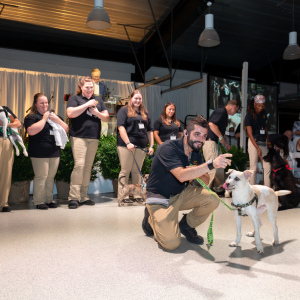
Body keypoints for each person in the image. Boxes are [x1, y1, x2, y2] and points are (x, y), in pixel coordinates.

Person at [142, 116, 232, 250]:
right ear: (185, 133)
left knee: (212, 198)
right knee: (172, 244)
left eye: (204, 136)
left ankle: (186, 225)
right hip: (159, 198)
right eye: (197, 134)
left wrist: (195, 171)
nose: (201, 139)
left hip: (180, 194)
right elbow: (181, 176)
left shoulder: (195, 152)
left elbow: (205, 181)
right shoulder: (168, 148)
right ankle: (151, 218)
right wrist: (211, 164)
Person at [67, 76, 109, 209]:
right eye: (87, 87)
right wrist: (86, 104)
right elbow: (70, 114)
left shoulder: (99, 100)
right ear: (81, 88)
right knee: (79, 165)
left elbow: (106, 118)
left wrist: (96, 113)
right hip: (79, 137)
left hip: (94, 137)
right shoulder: (75, 99)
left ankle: (83, 196)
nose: (90, 89)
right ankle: (74, 197)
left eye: (91, 87)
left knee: (87, 167)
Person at [24, 93, 69, 210]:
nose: (45, 105)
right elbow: (31, 131)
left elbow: (66, 129)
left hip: (54, 151)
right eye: (41, 103)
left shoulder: (53, 117)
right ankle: (39, 201)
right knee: (41, 176)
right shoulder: (31, 117)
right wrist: (44, 118)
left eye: (46, 103)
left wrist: (58, 120)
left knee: (50, 177)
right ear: (35, 104)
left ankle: (49, 200)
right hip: (39, 152)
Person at [117, 90, 154, 203]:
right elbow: (121, 127)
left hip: (141, 146)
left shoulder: (145, 113)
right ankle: (124, 196)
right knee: (125, 170)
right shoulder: (123, 110)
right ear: (131, 98)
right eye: (135, 98)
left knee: (137, 172)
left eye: (140, 99)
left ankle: (137, 195)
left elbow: (150, 130)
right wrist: (128, 143)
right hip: (126, 146)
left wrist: (151, 145)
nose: (138, 101)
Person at [202, 100, 240, 192]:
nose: (235, 113)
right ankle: (207, 189)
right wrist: (220, 137)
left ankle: (219, 188)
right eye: (236, 110)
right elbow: (211, 124)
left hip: (214, 142)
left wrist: (225, 143)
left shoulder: (224, 114)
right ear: (234, 106)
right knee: (212, 166)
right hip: (210, 142)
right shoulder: (221, 111)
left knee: (219, 164)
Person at [245, 95, 271, 187]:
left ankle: (268, 189)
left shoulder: (264, 113)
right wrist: (257, 148)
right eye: (259, 105)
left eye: (263, 106)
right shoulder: (249, 116)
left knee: (267, 166)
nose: (261, 108)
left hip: (263, 141)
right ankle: (252, 189)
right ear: (255, 104)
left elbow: (265, 127)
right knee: (253, 166)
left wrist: (268, 141)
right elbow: (250, 134)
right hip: (253, 141)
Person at [0, 106, 21, 212]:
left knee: (6, 173)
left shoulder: (4, 108)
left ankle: (3, 203)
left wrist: (5, 124)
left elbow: (18, 123)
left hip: (5, 141)